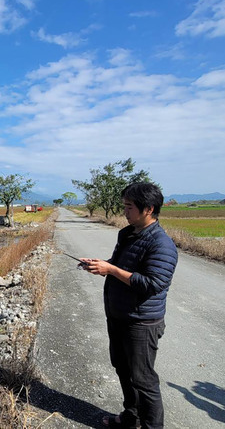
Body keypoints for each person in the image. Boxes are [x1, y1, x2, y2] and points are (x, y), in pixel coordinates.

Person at [79, 182, 178, 429]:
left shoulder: (161, 244)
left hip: (141, 323)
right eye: (124, 205)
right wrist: (101, 265)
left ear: (148, 209)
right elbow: (121, 265)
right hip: (119, 316)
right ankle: (130, 417)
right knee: (123, 369)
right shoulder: (128, 233)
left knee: (143, 380)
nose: (125, 211)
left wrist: (111, 269)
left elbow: (152, 284)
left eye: (129, 206)